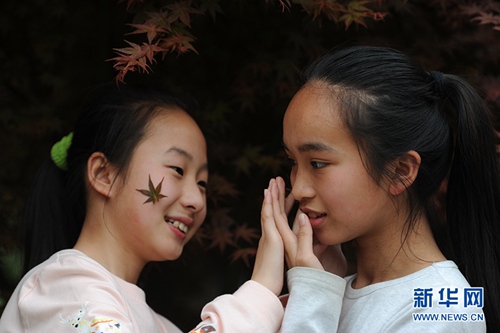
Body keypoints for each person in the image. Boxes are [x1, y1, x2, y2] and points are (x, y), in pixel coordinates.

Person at [0, 83, 286, 332]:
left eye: (202, 183)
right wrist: (259, 292)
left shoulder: (156, 323)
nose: (197, 201)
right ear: (103, 174)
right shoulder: (63, 290)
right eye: (177, 169)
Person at [262, 45, 500, 331]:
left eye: (318, 163)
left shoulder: (444, 307)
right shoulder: (327, 291)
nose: (298, 189)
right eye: (292, 161)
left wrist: (312, 297)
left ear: (399, 171)